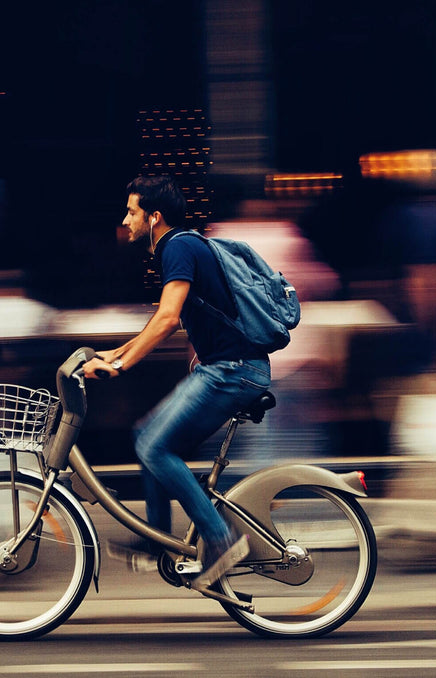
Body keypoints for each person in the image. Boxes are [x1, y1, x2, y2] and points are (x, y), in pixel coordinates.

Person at [83, 175, 271, 590]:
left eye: (132, 211)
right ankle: (158, 542)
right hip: (225, 368)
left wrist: (121, 366)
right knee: (146, 434)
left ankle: (222, 540)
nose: (125, 219)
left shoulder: (179, 246)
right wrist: (115, 353)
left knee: (153, 446)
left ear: (154, 217)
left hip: (233, 370)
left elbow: (167, 318)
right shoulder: (181, 246)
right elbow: (165, 322)